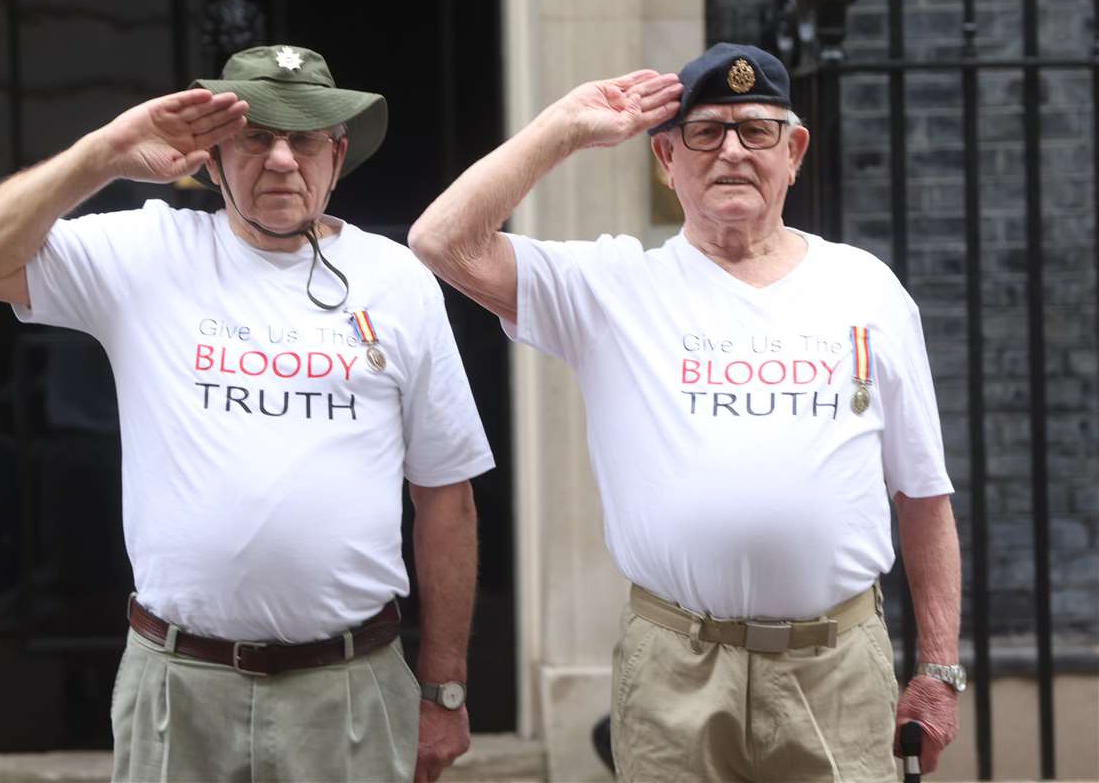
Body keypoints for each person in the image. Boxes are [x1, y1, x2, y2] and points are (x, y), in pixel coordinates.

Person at [0, 44, 494, 783]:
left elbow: (446, 495)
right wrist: (100, 155)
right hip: (179, 686)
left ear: (339, 152)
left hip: (349, 688)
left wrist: (443, 688)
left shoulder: (396, 282)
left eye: (305, 139)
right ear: (214, 154)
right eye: (257, 137)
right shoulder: (148, 248)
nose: (283, 160)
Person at [408, 43, 963, 782]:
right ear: (665, 158)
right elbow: (440, 240)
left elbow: (923, 492)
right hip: (675, 665)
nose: (732, 150)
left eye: (757, 130)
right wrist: (564, 129)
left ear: (793, 152)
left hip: (836, 666)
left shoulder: (868, 289)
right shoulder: (613, 286)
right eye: (706, 133)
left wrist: (939, 668)